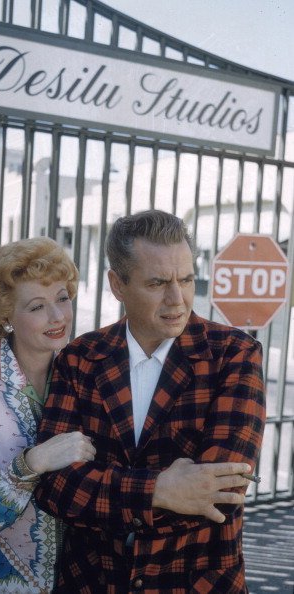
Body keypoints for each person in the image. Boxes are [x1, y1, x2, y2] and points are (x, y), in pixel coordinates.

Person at [35, 210, 266, 594]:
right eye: (157, 282)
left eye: (188, 279)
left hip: (197, 583)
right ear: (117, 284)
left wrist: (104, 494)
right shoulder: (80, 358)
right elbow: (54, 487)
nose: (178, 299)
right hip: (93, 582)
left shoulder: (234, 355)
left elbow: (221, 495)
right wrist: (159, 490)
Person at [0, 237, 96, 594]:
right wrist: (31, 463)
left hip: (82, 579)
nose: (58, 317)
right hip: (1, 584)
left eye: (63, 298)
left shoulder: (87, 378)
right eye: (37, 306)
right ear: (5, 314)